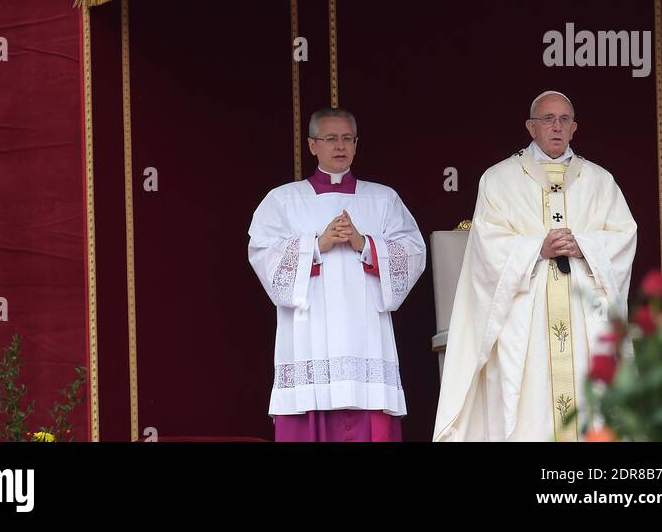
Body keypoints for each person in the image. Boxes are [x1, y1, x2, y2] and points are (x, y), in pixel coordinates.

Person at [433, 90, 636, 442]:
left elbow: (623, 236)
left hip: (582, 314)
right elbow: (487, 246)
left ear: (574, 128)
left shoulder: (599, 181)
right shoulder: (499, 179)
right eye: (547, 119)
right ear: (531, 127)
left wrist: (584, 244)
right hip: (524, 316)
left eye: (564, 120)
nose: (556, 127)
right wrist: (536, 248)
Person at [249, 107, 426, 442]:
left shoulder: (383, 199)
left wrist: (365, 244)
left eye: (347, 138)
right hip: (308, 336)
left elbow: (414, 253)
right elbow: (264, 254)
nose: (340, 146)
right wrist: (317, 245)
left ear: (357, 144)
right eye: (330, 138)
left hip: (367, 338)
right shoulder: (283, 200)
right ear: (313, 145)